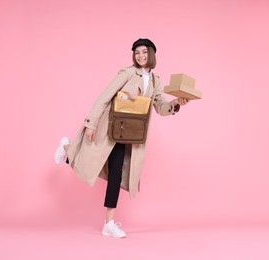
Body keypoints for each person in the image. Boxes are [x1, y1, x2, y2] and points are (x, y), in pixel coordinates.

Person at [54, 38, 189, 238]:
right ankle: (108, 222)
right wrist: (91, 124)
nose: (141, 56)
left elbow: (160, 107)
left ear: (151, 54)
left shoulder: (155, 80)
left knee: (114, 175)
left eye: (144, 52)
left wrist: (176, 103)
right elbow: (104, 97)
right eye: (137, 53)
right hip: (111, 129)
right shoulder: (127, 73)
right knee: (99, 167)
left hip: (132, 133)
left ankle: (67, 151)